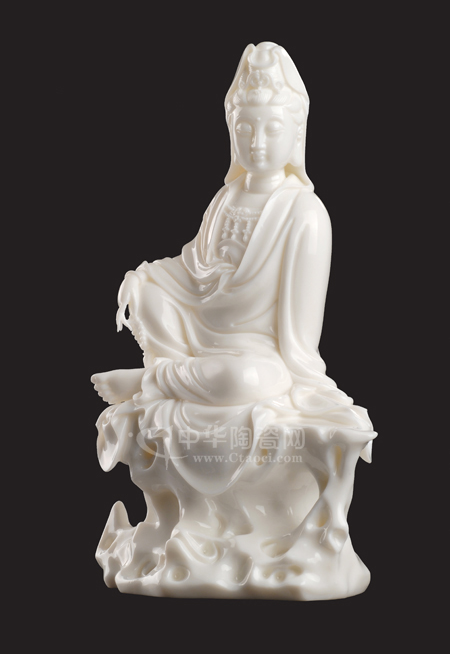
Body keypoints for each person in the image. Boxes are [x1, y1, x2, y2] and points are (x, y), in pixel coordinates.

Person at [92, 44, 376, 599]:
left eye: (271, 128)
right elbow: (195, 272)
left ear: (296, 132)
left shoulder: (306, 215)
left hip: (256, 357)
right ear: (231, 131)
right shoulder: (225, 199)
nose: (258, 142)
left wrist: (298, 378)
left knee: (250, 380)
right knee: (148, 291)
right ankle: (167, 378)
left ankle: (150, 382)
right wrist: (146, 277)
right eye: (246, 128)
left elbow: (299, 340)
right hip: (201, 339)